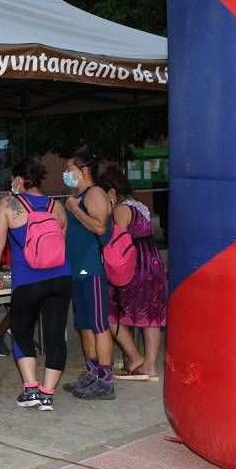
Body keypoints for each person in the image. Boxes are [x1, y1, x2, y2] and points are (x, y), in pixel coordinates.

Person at [0, 159, 72, 410]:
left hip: (28, 280)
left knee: (22, 332)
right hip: (60, 278)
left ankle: (31, 389)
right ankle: (47, 394)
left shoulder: (9, 204)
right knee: (56, 336)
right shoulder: (56, 207)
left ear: (18, 179)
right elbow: (60, 247)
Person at [96, 167, 167, 381]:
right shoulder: (141, 206)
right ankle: (150, 367)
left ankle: (135, 357)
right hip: (152, 262)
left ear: (110, 192)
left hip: (134, 265)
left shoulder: (120, 210)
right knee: (151, 316)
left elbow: (115, 242)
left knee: (110, 314)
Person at [62, 151, 116, 400]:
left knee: (98, 323)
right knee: (83, 323)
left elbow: (100, 226)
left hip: (91, 266)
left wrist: (75, 209)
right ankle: (92, 372)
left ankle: (106, 380)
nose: (66, 173)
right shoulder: (77, 196)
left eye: (69, 168)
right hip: (77, 268)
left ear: (83, 170)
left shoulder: (94, 193)